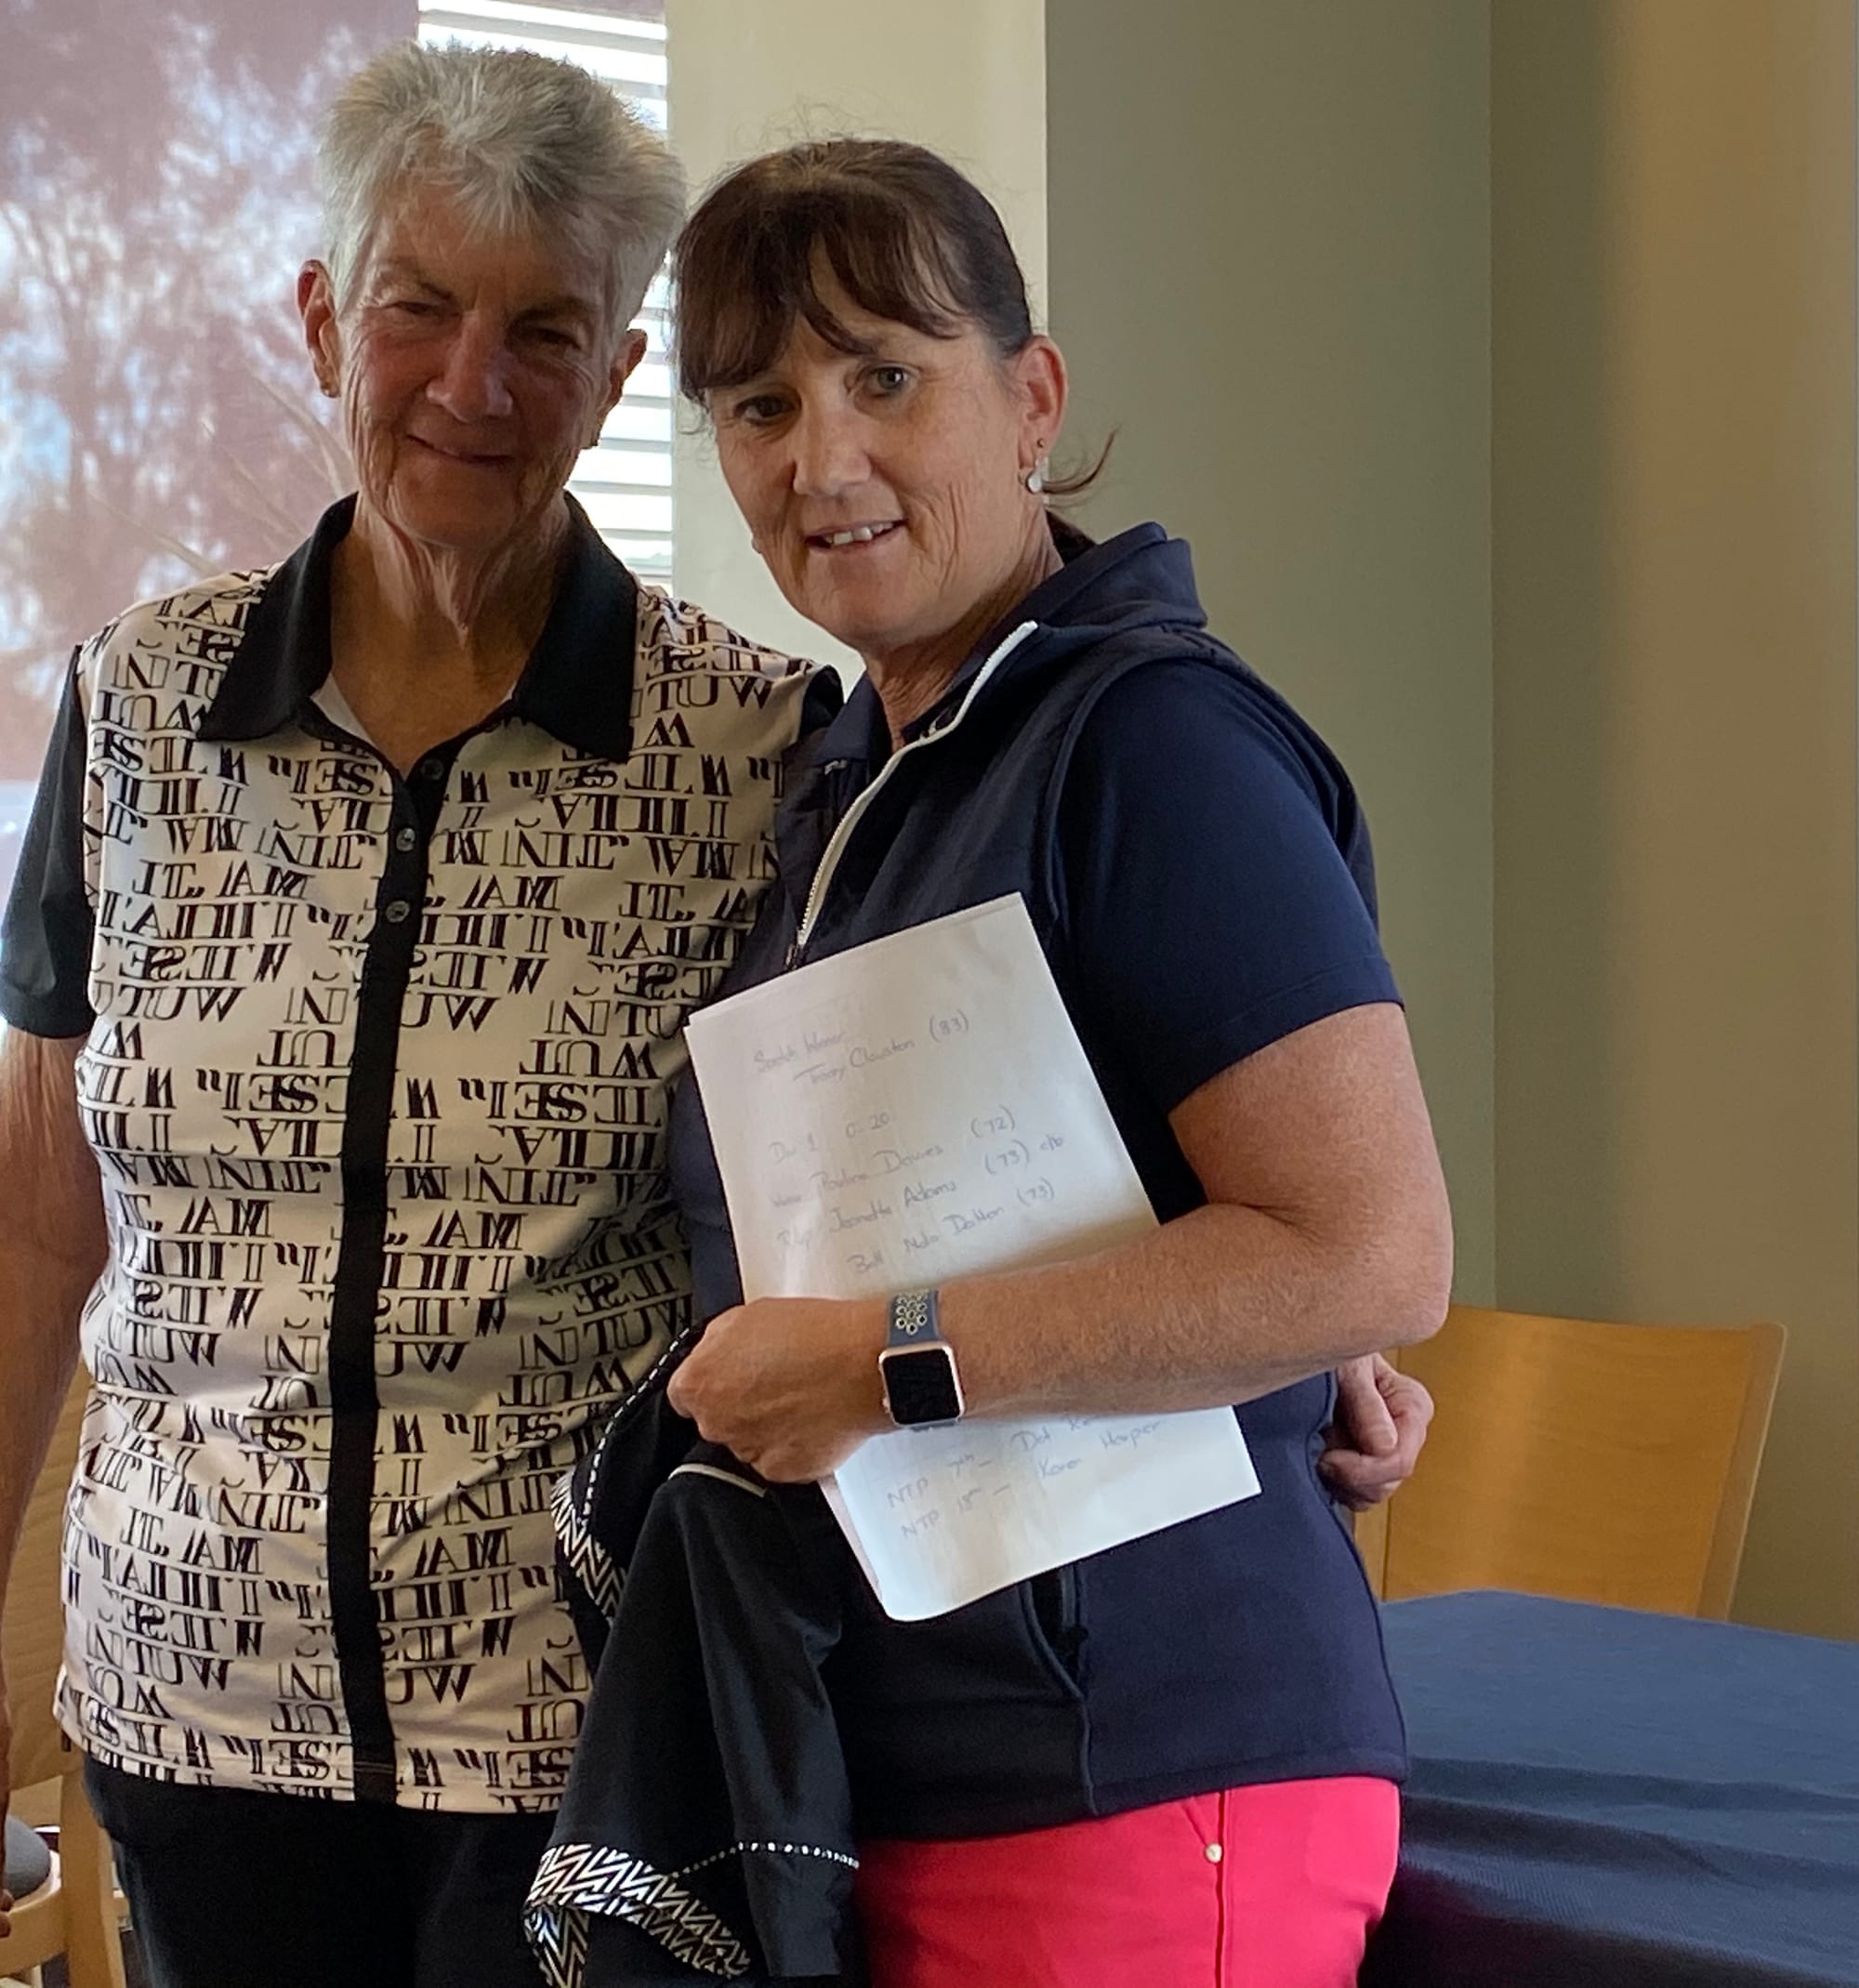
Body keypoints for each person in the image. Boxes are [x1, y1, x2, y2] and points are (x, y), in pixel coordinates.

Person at [532, 140, 1452, 1988]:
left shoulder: (1151, 746)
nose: (820, 456)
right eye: (760, 404)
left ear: (1030, 396)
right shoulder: (866, 784)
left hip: (1133, 1774)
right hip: (905, 1759)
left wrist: (882, 1359)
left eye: (885, 374)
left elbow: (1368, 1253)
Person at [0, 44, 830, 1988]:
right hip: (190, 1700)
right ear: (320, 318)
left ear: (620, 375)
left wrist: (1286, 1377)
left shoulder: (755, 746)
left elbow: (900, 1167)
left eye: (546, 327)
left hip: (576, 1722)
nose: (473, 383)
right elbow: (41, 1211)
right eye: (418, 310)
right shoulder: (136, 704)